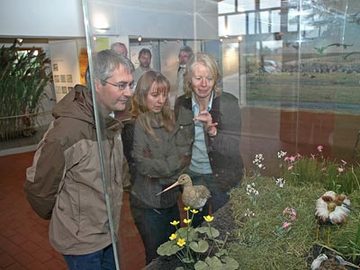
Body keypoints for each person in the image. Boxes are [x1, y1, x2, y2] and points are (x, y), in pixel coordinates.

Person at [24, 49, 135, 270]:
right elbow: (39, 187)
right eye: (121, 85)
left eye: (131, 84)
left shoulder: (110, 121)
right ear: (97, 83)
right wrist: (69, 220)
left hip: (108, 232)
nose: (129, 92)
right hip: (81, 243)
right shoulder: (67, 131)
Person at [125, 70, 189, 264]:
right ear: (142, 95)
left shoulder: (168, 119)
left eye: (164, 94)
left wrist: (163, 163)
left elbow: (182, 155)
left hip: (169, 199)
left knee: (177, 250)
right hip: (147, 203)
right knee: (156, 257)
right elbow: (143, 165)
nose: (161, 100)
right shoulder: (132, 126)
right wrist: (171, 164)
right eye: (155, 95)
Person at [174, 52, 244, 227]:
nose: (204, 84)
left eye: (209, 78)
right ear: (189, 80)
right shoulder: (181, 104)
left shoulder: (228, 103)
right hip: (193, 178)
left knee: (225, 226)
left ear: (216, 79)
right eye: (198, 78)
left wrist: (212, 131)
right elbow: (177, 144)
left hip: (222, 177)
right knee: (196, 229)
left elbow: (233, 148)